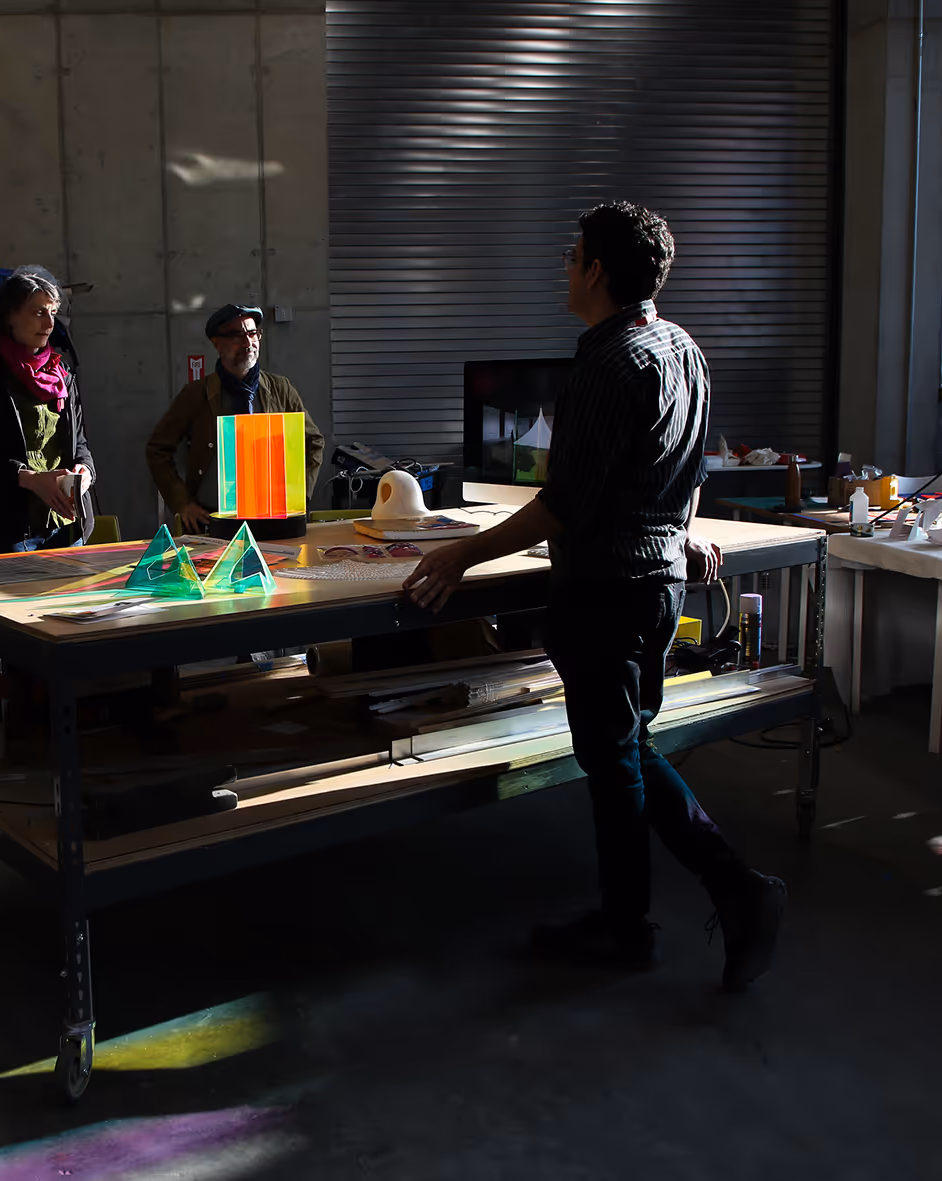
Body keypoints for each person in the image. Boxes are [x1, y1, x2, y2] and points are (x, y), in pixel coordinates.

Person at [401, 202, 787, 992]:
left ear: (597, 272)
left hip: (605, 591)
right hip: (653, 588)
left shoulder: (606, 366)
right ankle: (635, 918)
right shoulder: (681, 348)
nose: (564, 266)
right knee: (625, 751)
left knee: (614, 758)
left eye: (571, 254)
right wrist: (678, 532)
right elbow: (683, 469)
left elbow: (564, 504)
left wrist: (461, 554)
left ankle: (713, 897)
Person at [0, 270, 96, 553]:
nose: (50, 323)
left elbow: (81, 446)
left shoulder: (61, 373)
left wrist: (85, 471)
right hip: (12, 532)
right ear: (10, 317)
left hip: (68, 527)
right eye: (39, 312)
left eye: (53, 312)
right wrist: (27, 478)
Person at [146, 304, 326, 532]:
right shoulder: (196, 394)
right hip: (213, 522)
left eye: (252, 333)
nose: (248, 342)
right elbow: (157, 449)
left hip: (274, 518)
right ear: (216, 343)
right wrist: (182, 503)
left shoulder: (281, 389)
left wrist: (300, 495)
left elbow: (313, 441)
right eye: (236, 335)